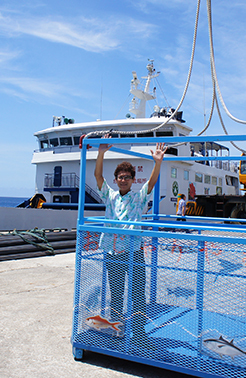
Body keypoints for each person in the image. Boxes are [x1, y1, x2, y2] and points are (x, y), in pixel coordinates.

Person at [94, 136, 166, 346]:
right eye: (120, 177)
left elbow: (151, 183)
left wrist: (158, 161)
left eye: (127, 177)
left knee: (137, 294)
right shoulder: (110, 196)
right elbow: (98, 176)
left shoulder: (138, 198)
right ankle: (117, 330)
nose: (123, 180)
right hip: (112, 252)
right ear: (115, 179)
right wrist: (101, 153)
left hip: (134, 251)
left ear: (133, 180)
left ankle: (140, 334)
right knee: (116, 294)